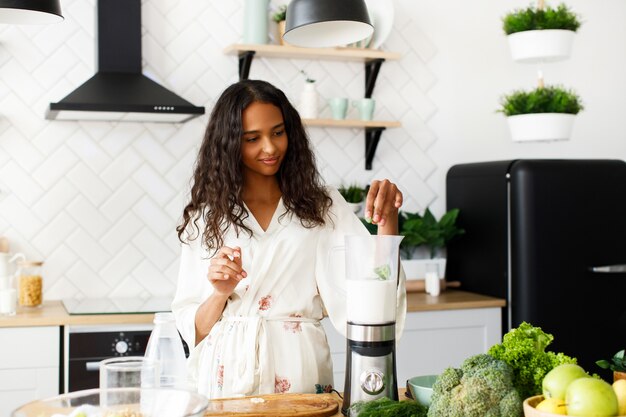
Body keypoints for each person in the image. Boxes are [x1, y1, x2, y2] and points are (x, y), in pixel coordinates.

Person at [172, 79, 406, 399]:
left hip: (299, 371)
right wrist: (219, 294)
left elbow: (370, 299)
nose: (269, 148)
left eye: (278, 132)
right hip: (225, 375)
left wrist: (388, 220)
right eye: (252, 138)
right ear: (228, 144)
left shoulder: (321, 206)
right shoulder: (207, 217)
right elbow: (193, 331)